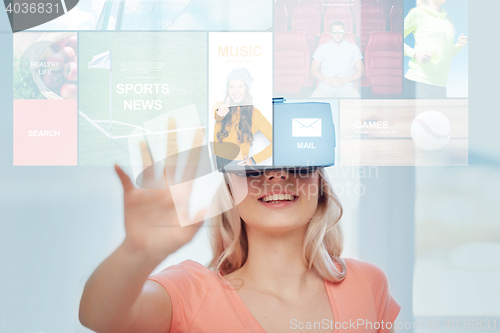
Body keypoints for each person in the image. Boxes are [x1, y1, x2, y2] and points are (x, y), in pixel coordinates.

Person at [79, 132, 401, 332]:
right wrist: (137, 251)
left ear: (320, 187)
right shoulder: (191, 292)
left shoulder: (367, 285)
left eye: (298, 163)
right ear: (231, 189)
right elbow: (100, 318)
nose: (276, 176)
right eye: (254, 166)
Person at [404, 0, 468, 98]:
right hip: (417, 81)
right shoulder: (418, 13)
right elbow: (395, 40)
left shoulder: (447, 20)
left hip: (440, 85)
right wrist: (415, 53)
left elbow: (445, 53)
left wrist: (458, 45)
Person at [213, 68, 272, 167]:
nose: (236, 91)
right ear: (227, 89)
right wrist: (219, 113)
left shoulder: (254, 114)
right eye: (231, 86)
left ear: (246, 89)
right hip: (217, 165)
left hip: (237, 166)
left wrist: (254, 160)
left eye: (240, 86)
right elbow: (217, 115)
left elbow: (277, 142)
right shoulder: (220, 107)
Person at [311, 20, 365, 98]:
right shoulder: (321, 48)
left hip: (347, 85)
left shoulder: (353, 48)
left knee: (356, 104)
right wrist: (327, 81)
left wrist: (344, 81)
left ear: (344, 33)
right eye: (334, 32)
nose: (338, 34)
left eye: (340, 31)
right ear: (330, 33)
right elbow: (313, 70)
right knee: (313, 102)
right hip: (325, 85)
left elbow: (361, 71)